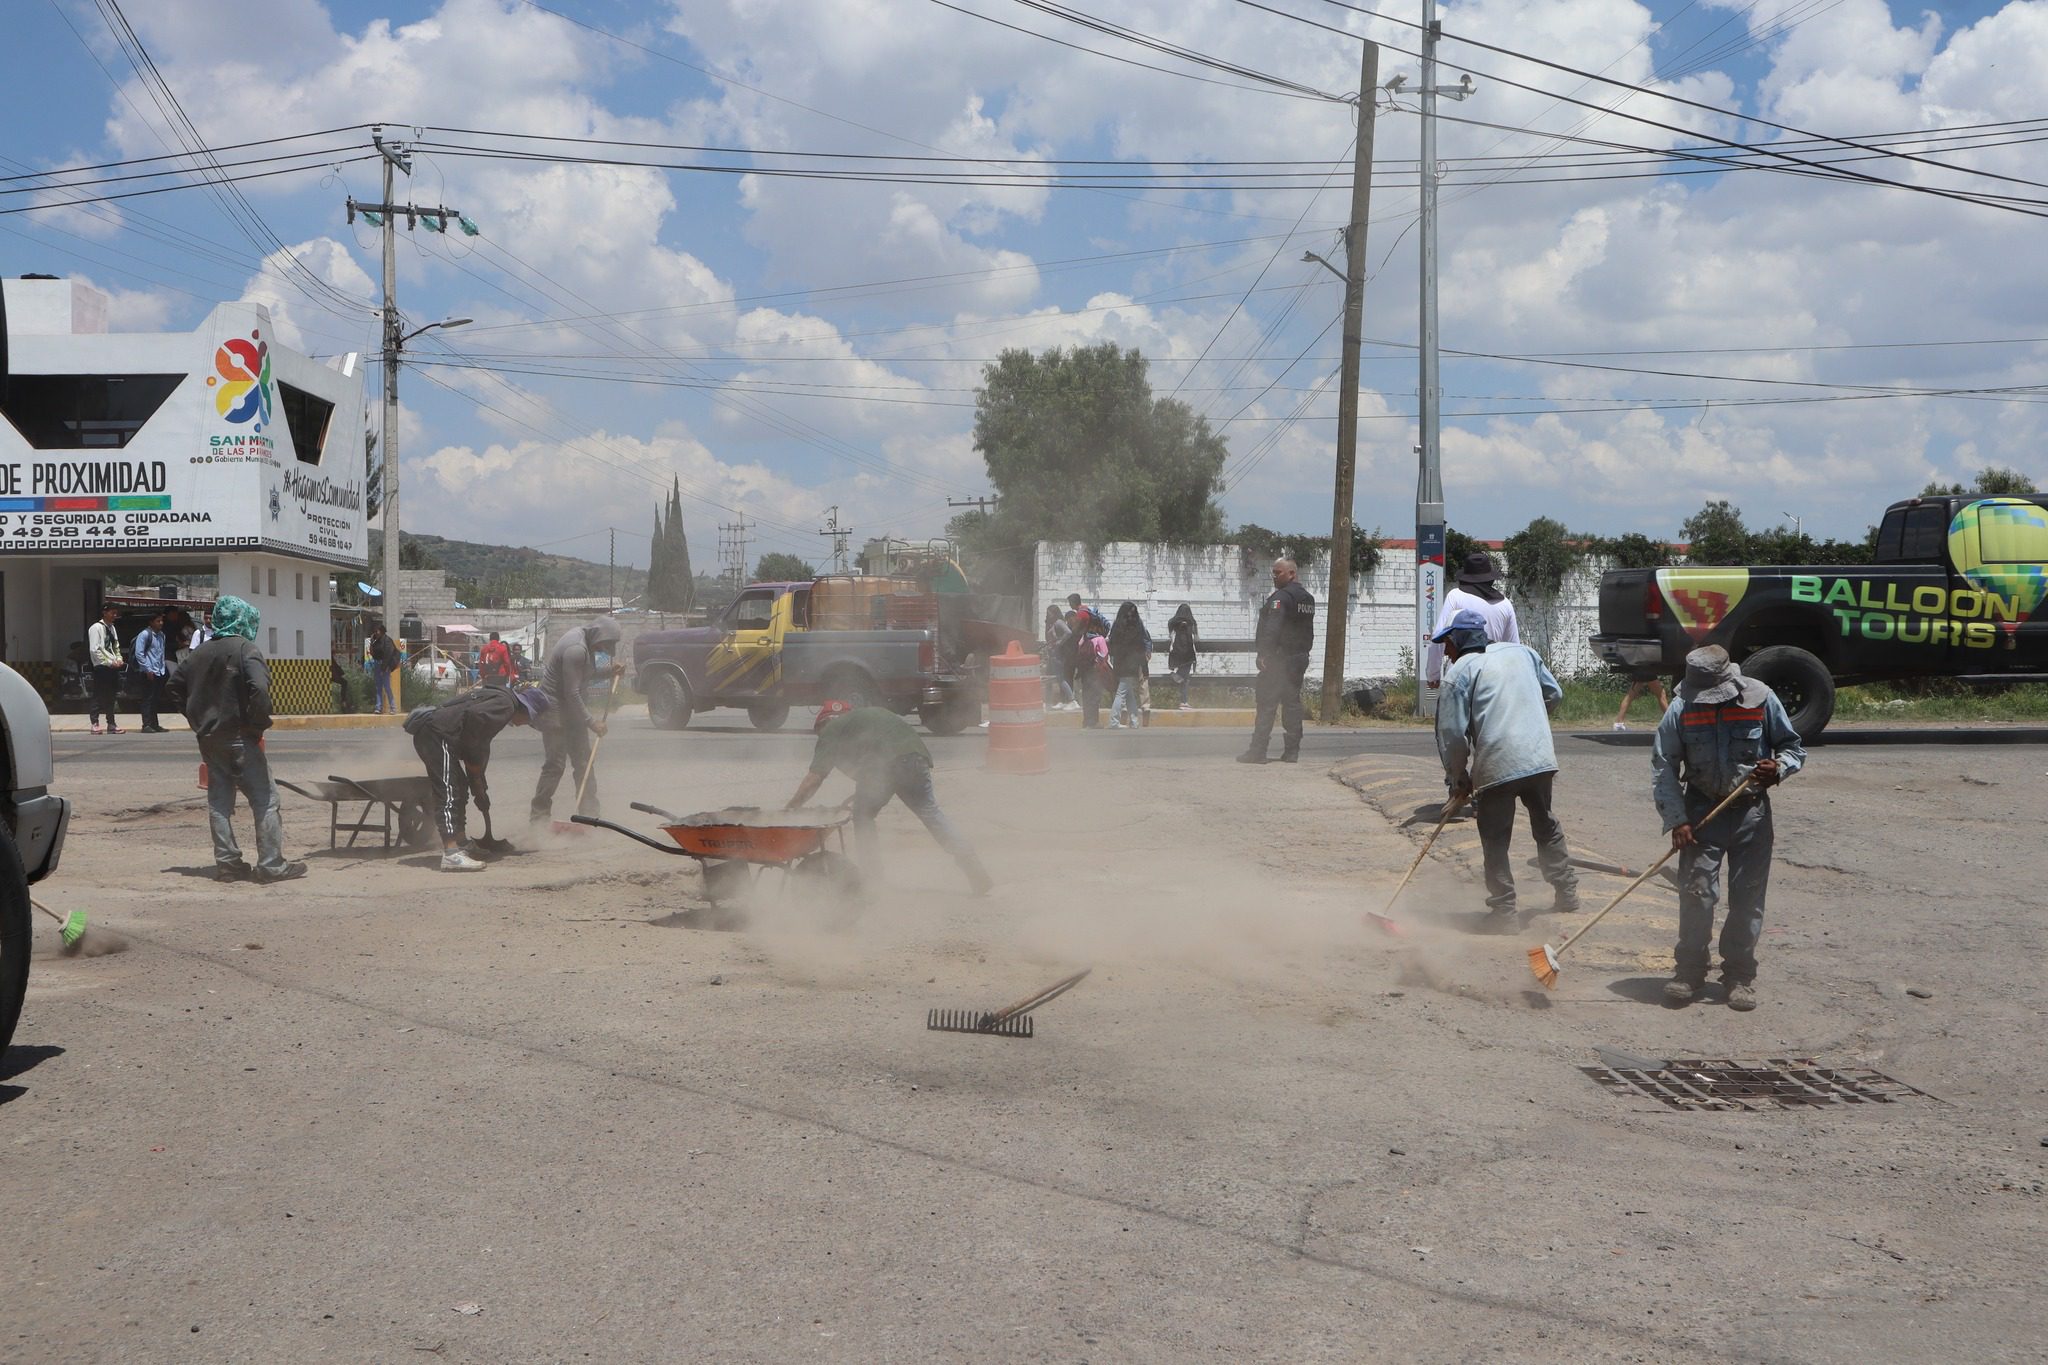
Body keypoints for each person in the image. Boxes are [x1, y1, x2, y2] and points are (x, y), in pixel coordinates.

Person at [1651, 645, 1805, 1011]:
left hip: (1751, 815)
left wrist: (1778, 768)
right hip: (1702, 812)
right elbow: (1663, 766)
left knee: (1747, 902)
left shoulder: (1761, 701)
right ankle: (1689, 972)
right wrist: (1677, 820)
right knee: (1696, 895)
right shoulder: (1681, 710)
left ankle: (1739, 976)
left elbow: (1793, 747)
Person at [1433, 608, 1579, 931]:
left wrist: (1459, 779)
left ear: (1458, 642)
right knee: (1545, 822)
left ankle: (1504, 911)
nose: (1445, 651)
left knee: (1495, 838)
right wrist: (1529, 722)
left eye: (1448, 645)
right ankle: (1566, 890)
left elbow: (1452, 736)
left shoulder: (1459, 674)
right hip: (1539, 756)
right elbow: (1554, 694)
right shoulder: (1523, 652)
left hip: (1498, 761)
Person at [161, 595, 305, 884]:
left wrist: (196, 719)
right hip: (240, 736)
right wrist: (257, 724)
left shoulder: (199, 653)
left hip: (210, 739)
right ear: (243, 619)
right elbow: (260, 691)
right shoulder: (245, 649)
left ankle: (228, 864)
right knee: (265, 799)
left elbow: (174, 686)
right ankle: (271, 865)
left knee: (219, 801)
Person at [787, 700, 992, 895]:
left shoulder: (831, 729)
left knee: (863, 816)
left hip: (888, 764)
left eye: (818, 733)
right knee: (930, 813)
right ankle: (972, 866)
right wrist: (866, 788)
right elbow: (874, 765)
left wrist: (792, 807)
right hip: (916, 757)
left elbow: (815, 777)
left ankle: (873, 879)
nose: (820, 738)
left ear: (825, 721)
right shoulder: (863, 720)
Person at [407, 684, 552, 872]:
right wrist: (474, 769)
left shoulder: (503, 700)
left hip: (440, 735)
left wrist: (477, 779)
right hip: (437, 735)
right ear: (526, 710)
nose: (523, 724)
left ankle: (460, 842)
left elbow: (480, 741)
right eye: (529, 720)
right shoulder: (506, 706)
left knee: (459, 786)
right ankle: (451, 854)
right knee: (449, 790)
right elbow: (474, 727)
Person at [529, 616, 625, 825]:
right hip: (554, 709)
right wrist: (592, 722)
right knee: (555, 765)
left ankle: (590, 815)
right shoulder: (576, 648)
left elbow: (584, 675)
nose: (606, 649)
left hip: (571, 709)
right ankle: (539, 818)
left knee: (584, 762)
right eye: (606, 644)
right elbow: (571, 692)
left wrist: (610, 671)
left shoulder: (587, 644)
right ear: (599, 635)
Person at [1237, 558, 1316, 765]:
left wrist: (1264, 654)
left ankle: (1257, 751)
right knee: (1291, 704)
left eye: (1278, 572)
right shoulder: (1307, 599)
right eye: (1273, 572)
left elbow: (1272, 628)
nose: (1274, 576)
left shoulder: (1280, 598)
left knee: (1266, 703)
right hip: (1299, 658)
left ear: (1291, 573)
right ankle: (1292, 752)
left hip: (1279, 660)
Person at [1426, 552, 1521, 689]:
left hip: (1459, 675)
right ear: (1490, 579)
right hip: (1492, 679)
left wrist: (1433, 675)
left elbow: (1439, 639)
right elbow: (1513, 648)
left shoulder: (1456, 597)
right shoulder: (1505, 604)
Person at [1105, 602, 1149, 729]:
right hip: (1130, 664)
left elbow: (1112, 645)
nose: (1131, 616)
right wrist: (1144, 667)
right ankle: (1114, 721)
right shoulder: (1136, 626)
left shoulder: (1118, 626)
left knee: (1128, 693)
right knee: (1122, 693)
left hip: (1121, 663)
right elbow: (1141, 647)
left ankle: (1134, 721)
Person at [86, 604, 125, 735]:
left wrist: (118, 659)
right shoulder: (96, 628)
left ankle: (111, 723)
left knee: (111, 696)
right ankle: (95, 723)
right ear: (105, 613)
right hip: (101, 666)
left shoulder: (112, 628)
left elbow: (116, 646)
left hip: (113, 666)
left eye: (116, 613)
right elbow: (95, 649)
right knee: (98, 694)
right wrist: (108, 662)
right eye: (112, 613)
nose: (114, 616)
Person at [134, 610, 170, 733]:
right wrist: (147, 669)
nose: (161, 623)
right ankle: (146, 724)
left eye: (161, 621)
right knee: (147, 699)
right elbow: (139, 654)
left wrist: (163, 669)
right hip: (148, 672)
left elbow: (160, 654)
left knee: (155, 699)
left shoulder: (161, 635)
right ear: (151, 622)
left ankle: (155, 724)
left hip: (159, 671)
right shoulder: (144, 634)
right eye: (158, 621)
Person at [1042, 606, 1076, 710]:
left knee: (1060, 678)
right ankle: (1047, 702)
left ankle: (1072, 700)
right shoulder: (1052, 623)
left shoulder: (1058, 622)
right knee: (1048, 679)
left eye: (1050, 613)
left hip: (1057, 655)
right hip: (1052, 655)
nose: (1048, 615)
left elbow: (1068, 633)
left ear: (1055, 613)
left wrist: (1059, 643)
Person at [1167, 603, 1199, 710]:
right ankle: (1176, 676)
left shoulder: (1173, 622)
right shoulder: (1192, 622)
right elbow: (1196, 639)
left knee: (1185, 679)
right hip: (1188, 654)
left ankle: (1183, 701)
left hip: (1177, 652)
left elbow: (1170, 635)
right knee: (1184, 677)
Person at [368, 624, 400, 714]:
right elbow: (372, 653)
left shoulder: (387, 640)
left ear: (381, 631)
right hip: (377, 664)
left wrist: (384, 668)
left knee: (387, 687)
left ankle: (393, 708)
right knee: (378, 687)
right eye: (375, 631)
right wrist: (371, 641)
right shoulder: (376, 641)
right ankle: (378, 707)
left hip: (385, 666)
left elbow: (388, 655)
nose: (376, 632)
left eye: (377, 630)